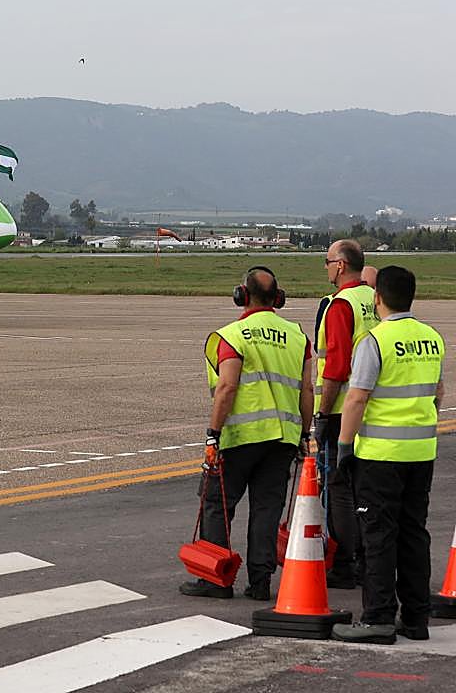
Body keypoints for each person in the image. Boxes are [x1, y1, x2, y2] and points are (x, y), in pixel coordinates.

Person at [181, 266, 313, 600]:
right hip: (282, 438)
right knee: (267, 510)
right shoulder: (298, 337)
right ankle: (260, 583)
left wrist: (213, 433)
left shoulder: (232, 336)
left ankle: (216, 579)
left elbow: (226, 388)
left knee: (216, 503)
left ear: (242, 293)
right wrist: (302, 435)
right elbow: (307, 391)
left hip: (240, 438)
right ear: (278, 299)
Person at [332, 266, 445, 644]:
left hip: (381, 455)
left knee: (379, 535)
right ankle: (416, 617)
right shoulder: (432, 338)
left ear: (377, 297)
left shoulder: (375, 341)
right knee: (414, 532)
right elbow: (438, 392)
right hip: (420, 451)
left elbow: (358, 396)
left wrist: (345, 446)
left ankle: (378, 616)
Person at [314, 240, 378, 589]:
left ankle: (344, 562)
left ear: (340, 265)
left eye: (326, 262)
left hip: (343, 409)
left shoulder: (341, 304)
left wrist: (323, 415)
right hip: (374, 407)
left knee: (339, 487)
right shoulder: (374, 298)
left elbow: (336, 367)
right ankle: (368, 558)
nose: (325, 268)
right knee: (365, 487)